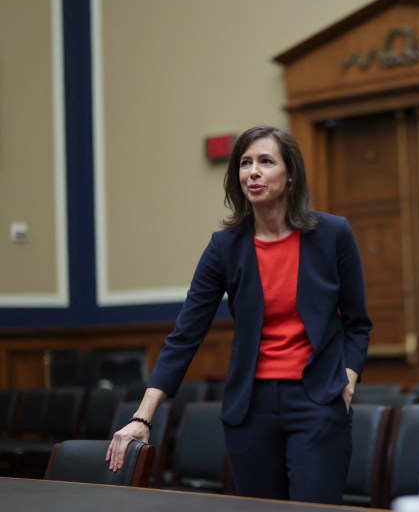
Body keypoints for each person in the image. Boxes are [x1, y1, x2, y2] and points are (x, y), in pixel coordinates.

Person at [106, 125, 371, 503]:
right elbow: (186, 333)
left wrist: (346, 381)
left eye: (266, 161)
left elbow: (358, 323)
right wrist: (143, 416)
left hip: (317, 401)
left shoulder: (332, 234)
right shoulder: (225, 247)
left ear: (290, 172)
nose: (253, 172)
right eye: (245, 163)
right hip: (251, 409)